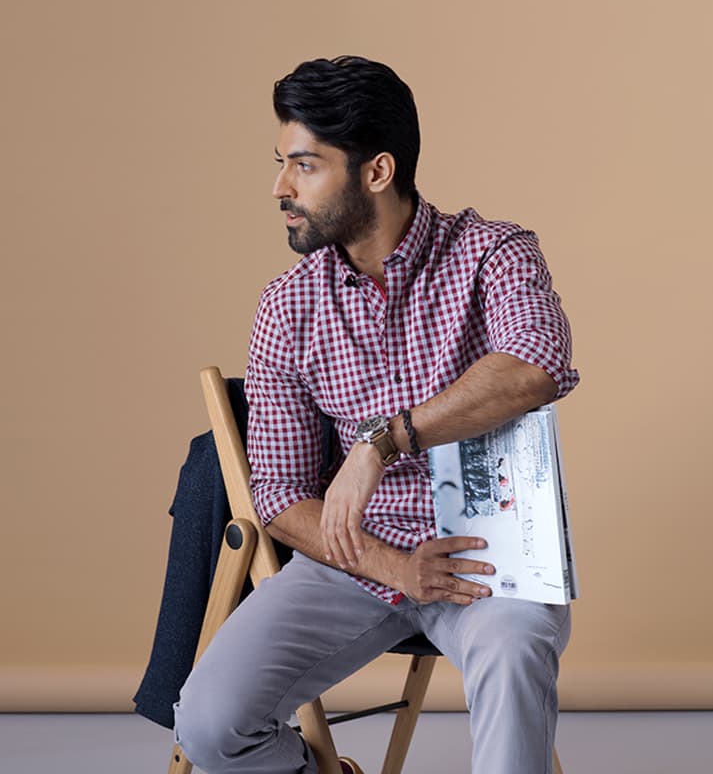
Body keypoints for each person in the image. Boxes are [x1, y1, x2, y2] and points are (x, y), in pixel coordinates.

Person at [174, 55, 579, 774]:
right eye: (281, 163)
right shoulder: (288, 306)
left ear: (377, 172)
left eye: (304, 165)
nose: (280, 187)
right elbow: (279, 495)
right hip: (354, 562)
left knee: (517, 652)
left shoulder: (493, 254)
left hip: (491, 558)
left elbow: (535, 365)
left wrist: (383, 441)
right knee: (208, 725)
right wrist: (395, 567)